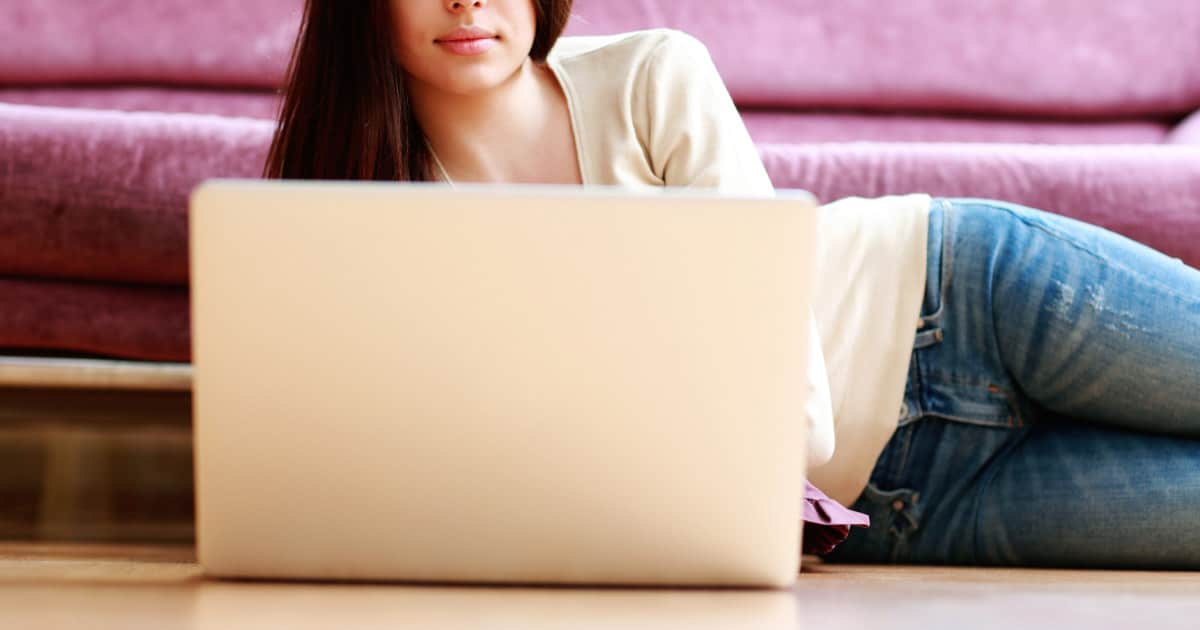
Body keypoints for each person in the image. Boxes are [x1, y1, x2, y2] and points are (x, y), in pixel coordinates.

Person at [265, 0, 1200, 569]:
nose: (469, 1)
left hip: (961, 296)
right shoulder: (358, 222)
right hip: (896, 507)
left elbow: (780, 372)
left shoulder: (652, 76)